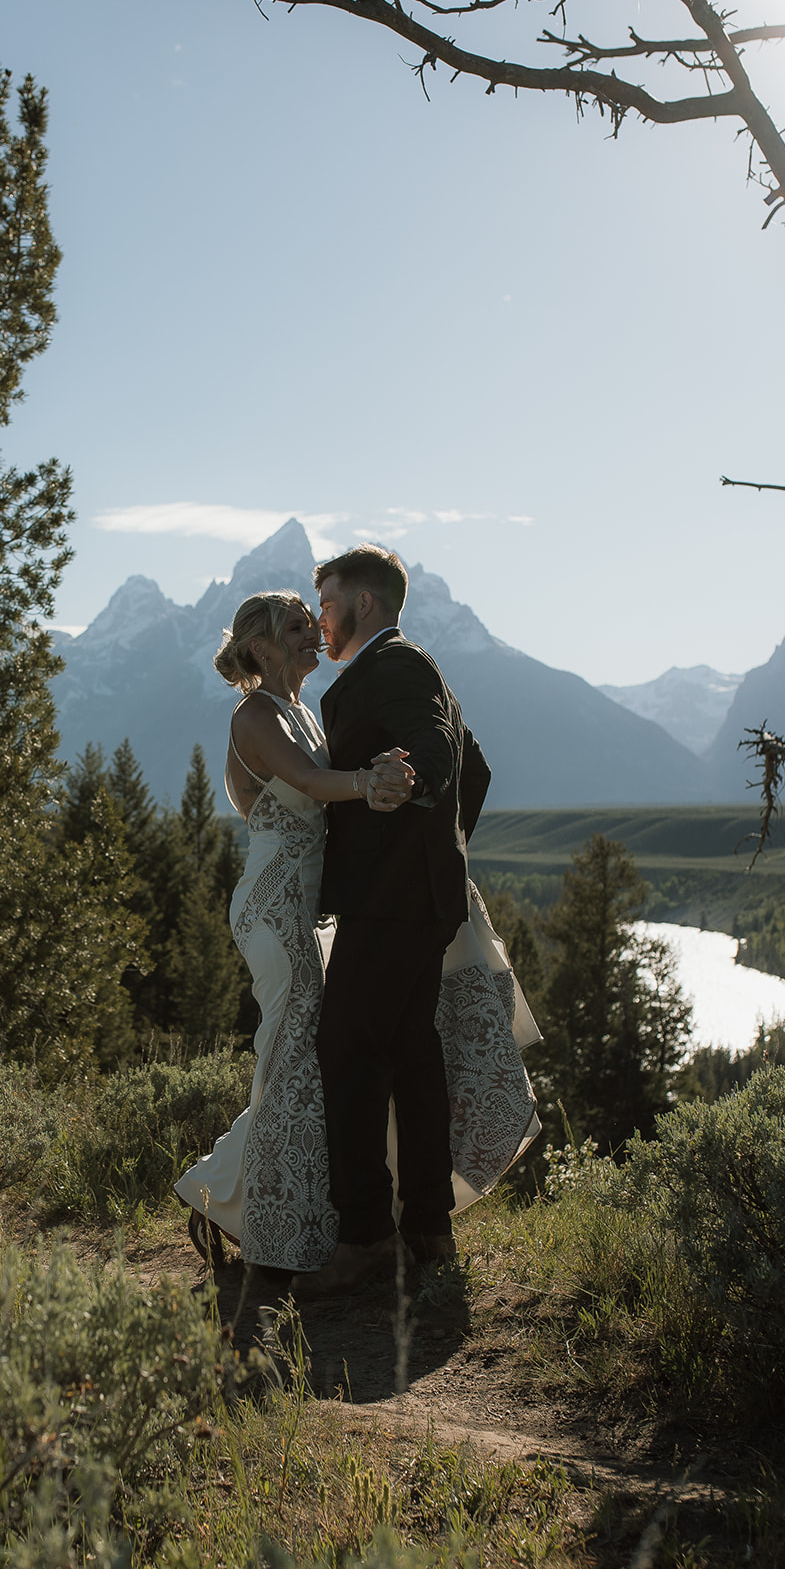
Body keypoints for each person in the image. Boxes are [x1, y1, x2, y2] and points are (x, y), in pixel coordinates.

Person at [175, 583, 540, 1286]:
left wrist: (421, 843)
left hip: (313, 908)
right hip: (276, 905)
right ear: (258, 645)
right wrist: (370, 782)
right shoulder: (254, 715)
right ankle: (246, 1212)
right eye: (295, 625)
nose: (314, 631)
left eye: (314, 620)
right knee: (290, 1054)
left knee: (310, 1061)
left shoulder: (301, 709)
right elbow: (310, 783)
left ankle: (262, 1207)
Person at [300, 544, 496, 1297]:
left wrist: (408, 787)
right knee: (410, 1051)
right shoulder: (414, 666)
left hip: (389, 902)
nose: (320, 622)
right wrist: (439, 852)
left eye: (327, 604)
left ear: (366, 605)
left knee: (346, 1047)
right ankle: (427, 1228)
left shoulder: (395, 668)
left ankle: (363, 1239)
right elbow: (475, 769)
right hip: (418, 896)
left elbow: (443, 755)